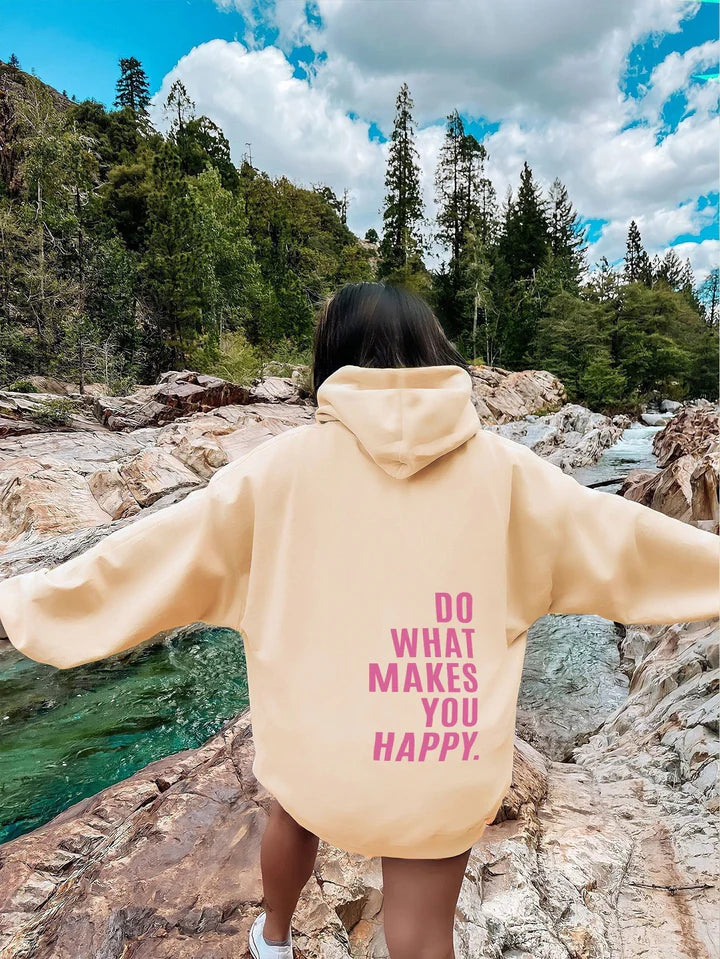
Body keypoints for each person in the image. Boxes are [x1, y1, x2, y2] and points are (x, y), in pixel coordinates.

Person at [0, 281, 718, 959]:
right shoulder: (510, 473)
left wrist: (27, 603)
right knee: (421, 933)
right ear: (436, 352)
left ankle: (274, 937)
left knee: (292, 806)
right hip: (441, 758)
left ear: (330, 359)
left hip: (320, 760)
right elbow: (628, 543)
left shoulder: (274, 471)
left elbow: (147, 559)